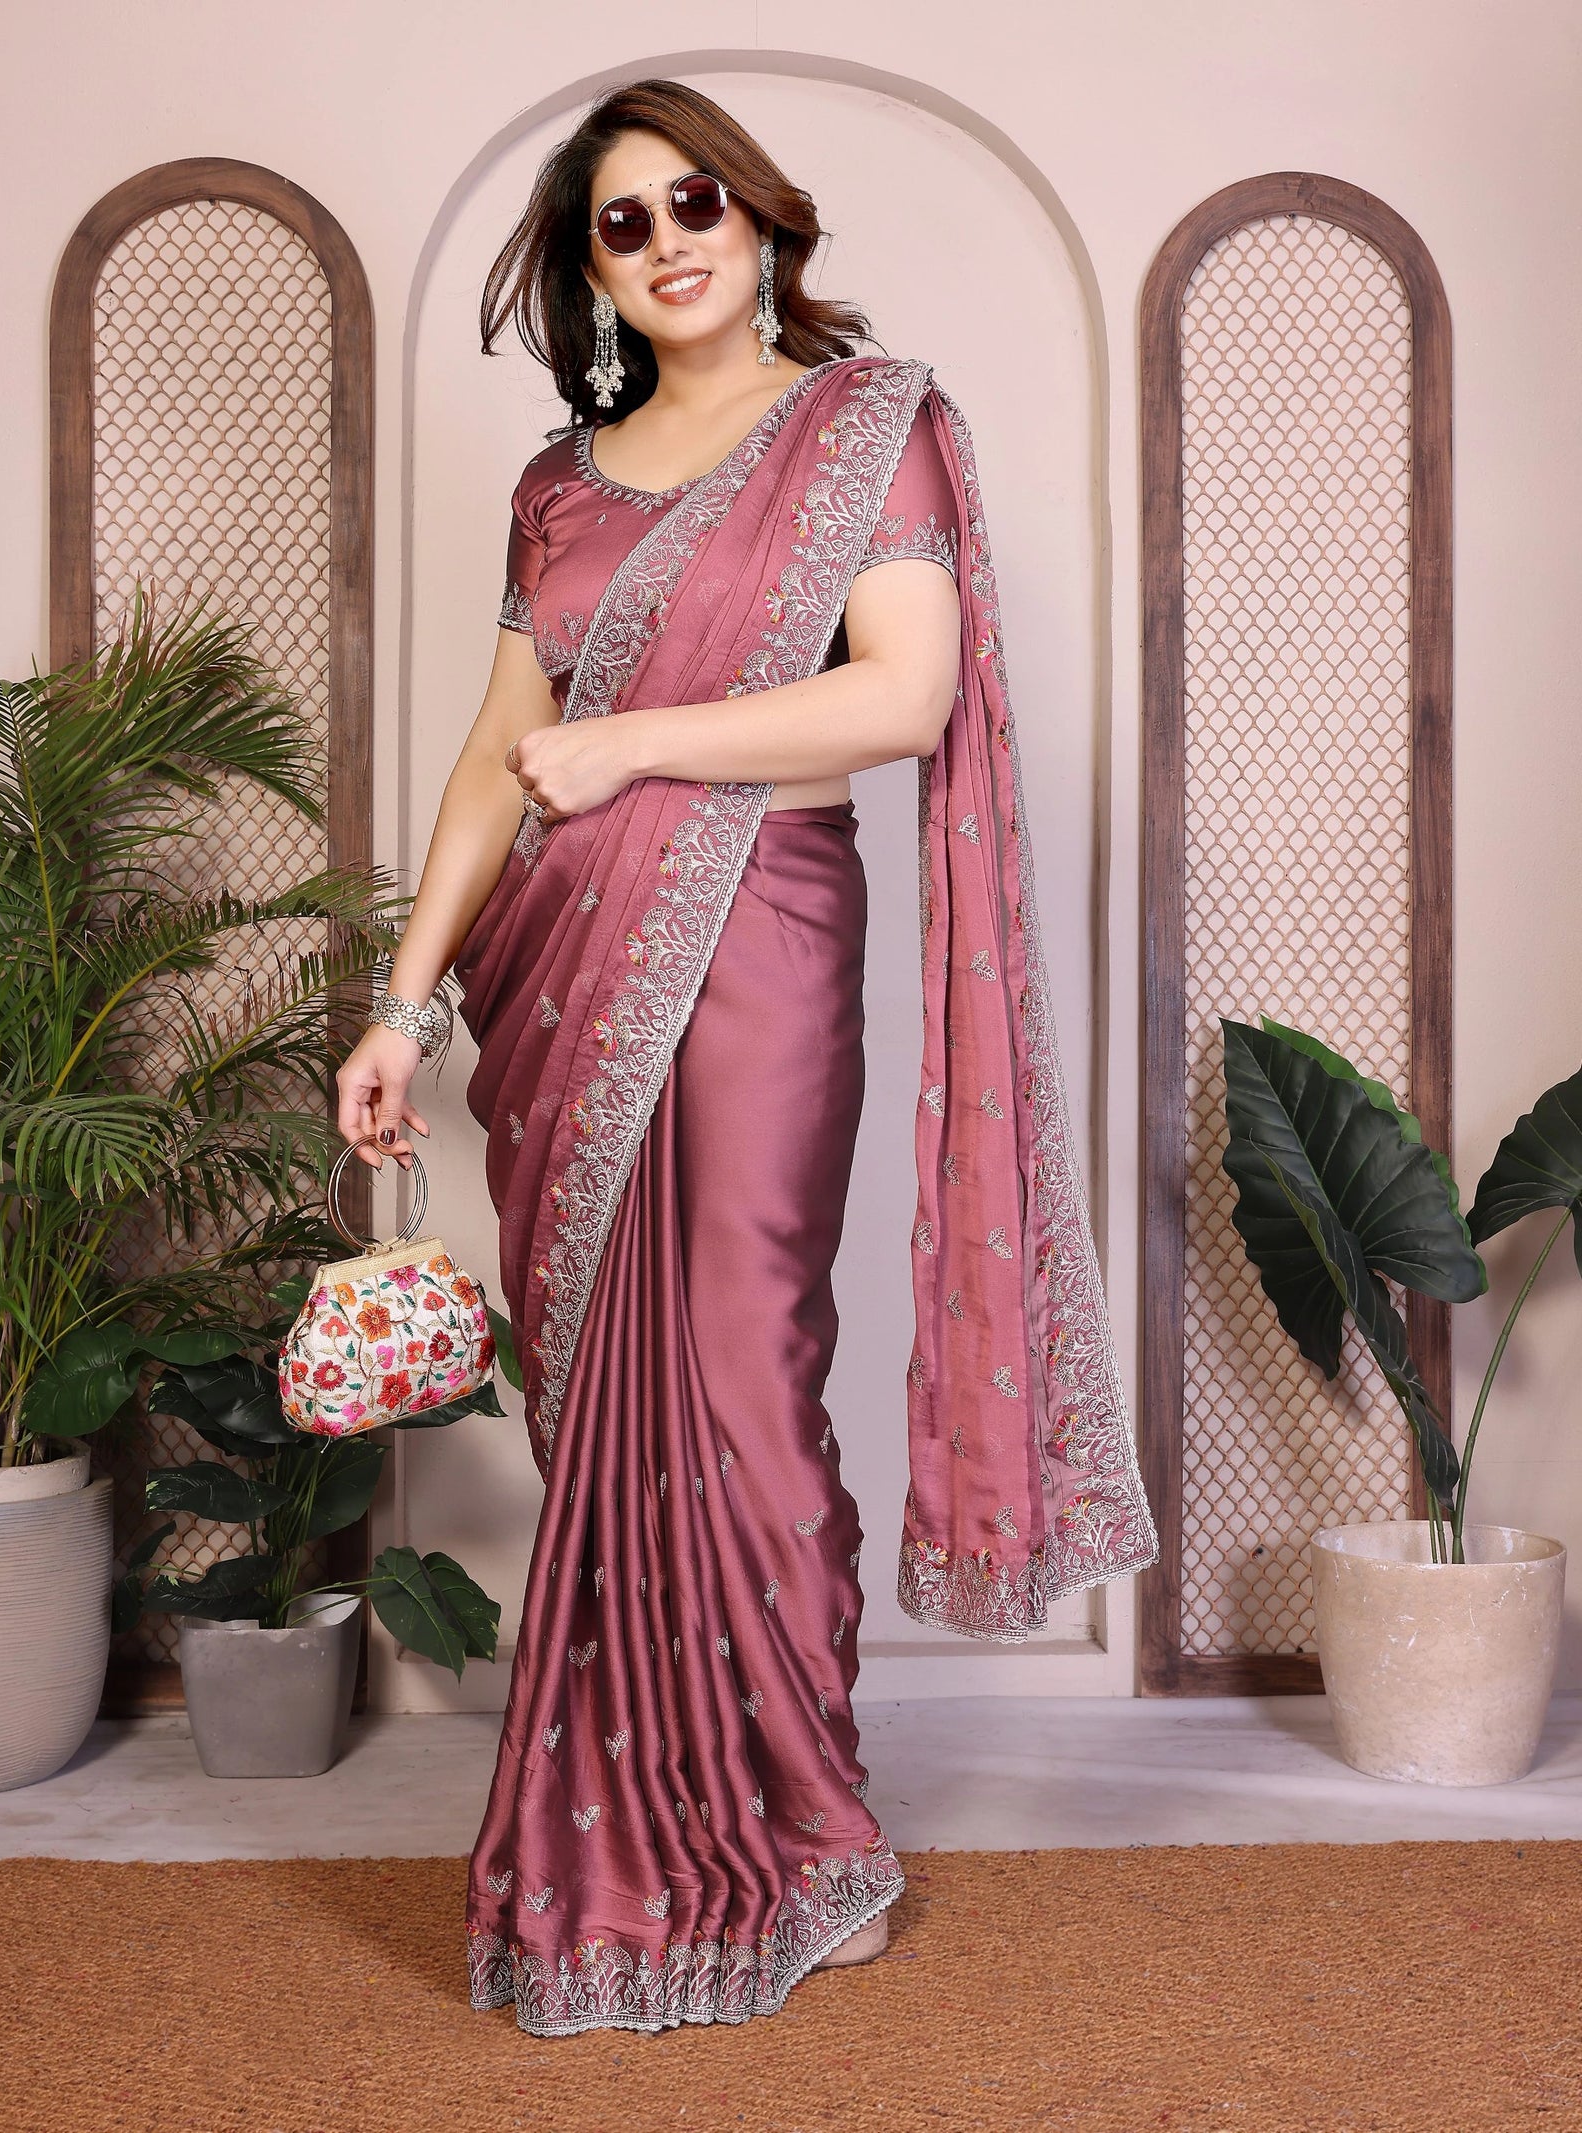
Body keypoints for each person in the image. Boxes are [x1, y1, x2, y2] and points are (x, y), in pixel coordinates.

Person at [335, 78, 1156, 2040]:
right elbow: (482, 754)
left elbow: (902, 688)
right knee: (609, 1393)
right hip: (555, 972)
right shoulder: (562, 479)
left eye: (692, 198)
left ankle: (803, 1822)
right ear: (589, 268)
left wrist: (629, 748)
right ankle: (628, 1834)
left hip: (758, 934)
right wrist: (405, 993)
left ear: (762, 214)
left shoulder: (871, 424)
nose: (669, 239)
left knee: (738, 1366)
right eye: (622, 223)